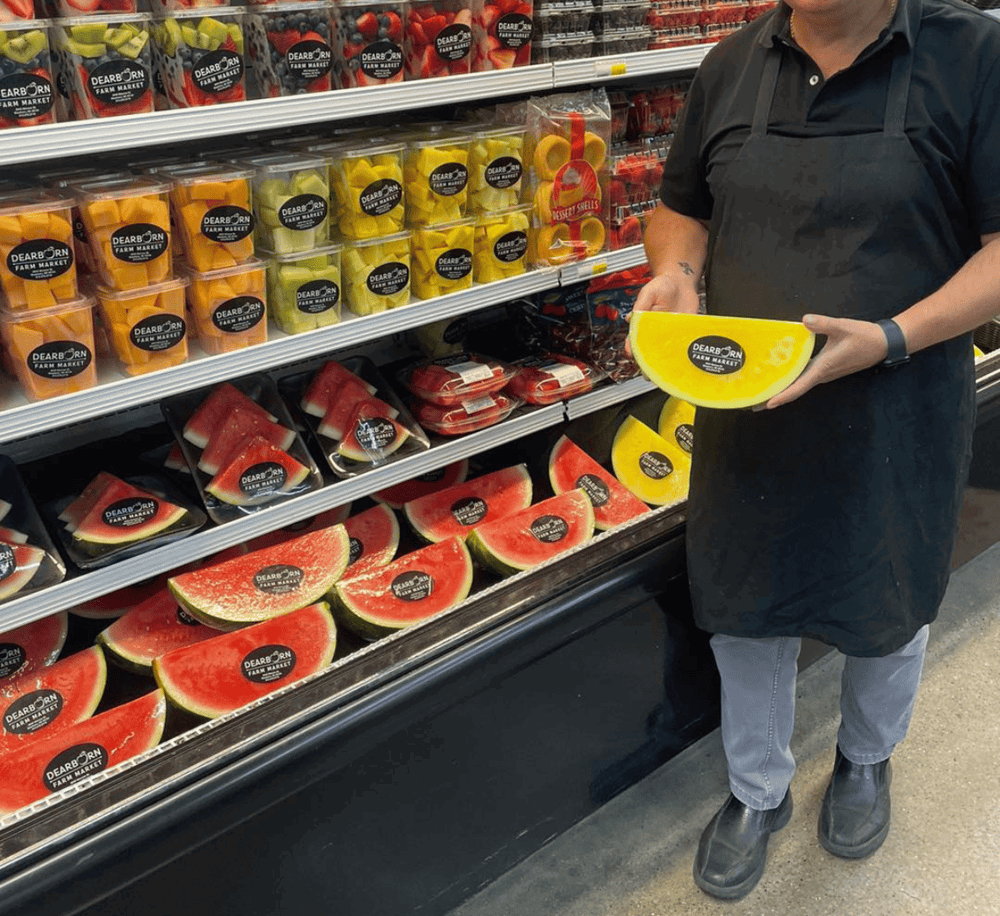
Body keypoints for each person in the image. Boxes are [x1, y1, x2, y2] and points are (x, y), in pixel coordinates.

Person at [632, 0, 1000, 900]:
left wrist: (892, 337)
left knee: (891, 591)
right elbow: (680, 210)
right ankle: (756, 790)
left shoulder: (975, 54)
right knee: (744, 604)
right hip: (748, 408)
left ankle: (867, 757)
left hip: (900, 402)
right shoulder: (729, 64)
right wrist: (676, 271)